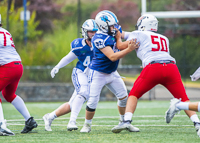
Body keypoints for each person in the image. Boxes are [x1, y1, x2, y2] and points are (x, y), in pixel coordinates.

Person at [111, 14, 200, 137]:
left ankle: (126, 121)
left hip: (153, 68)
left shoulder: (139, 34)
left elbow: (120, 45)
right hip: (171, 68)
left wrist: (116, 34)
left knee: (133, 94)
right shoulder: (164, 38)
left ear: (142, 24)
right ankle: (197, 123)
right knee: (183, 98)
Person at [79, 10, 140, 133]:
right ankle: (87, 124)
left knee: (123, 97)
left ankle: (123, 122)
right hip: (98, 73)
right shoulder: (98, 38)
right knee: (93, 101)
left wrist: (135, 40)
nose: (115, 27)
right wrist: (130, 48)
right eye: (112, 25)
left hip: (112, 72)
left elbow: (119, 45)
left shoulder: (112, 33)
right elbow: (112, 56)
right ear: (103, 26)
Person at [43, 19, 98, 131]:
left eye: (95, 31)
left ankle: (49, 117)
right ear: (84, 32)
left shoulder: (100, 44)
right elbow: (69, 58)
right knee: (83, 92)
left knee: (72, 104)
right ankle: (72, 122)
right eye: (91, 32)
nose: (93, 34)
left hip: (92, 75)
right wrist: (57, 66)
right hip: (80, 72)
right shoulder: (79, 45)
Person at [0, 14, 37, 136]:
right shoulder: (5, 32)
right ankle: (29, 120)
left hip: (8, 67)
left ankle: (1, 126)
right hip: (17, 66)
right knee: (8, 94)